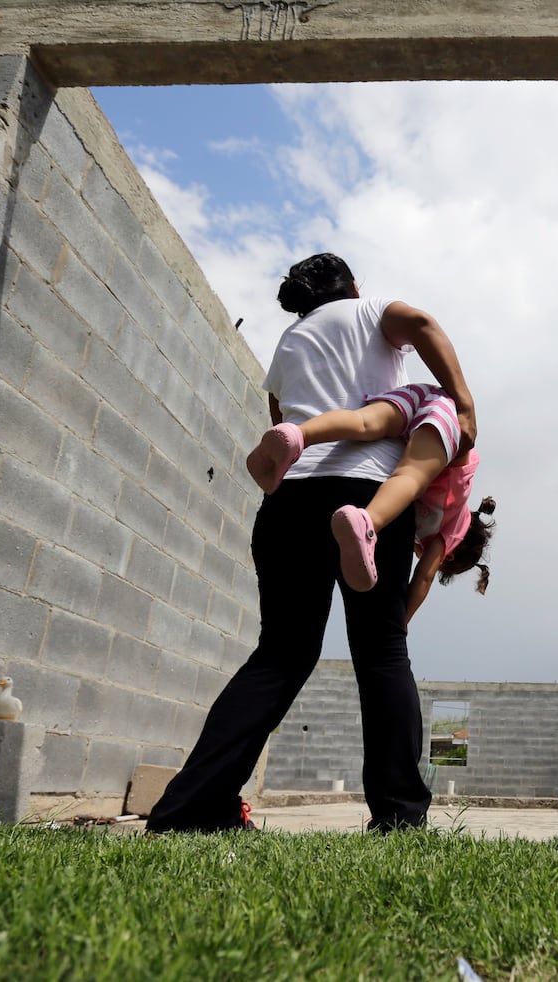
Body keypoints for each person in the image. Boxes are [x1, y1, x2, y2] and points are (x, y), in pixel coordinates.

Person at [146, 253, 475, 834]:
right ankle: (398, 816)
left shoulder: (289, 343)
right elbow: (422, 325)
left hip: (291, 497)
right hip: (368, 490)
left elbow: (279, 416)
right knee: (381, 653)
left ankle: (193, 808)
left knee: (279, 654)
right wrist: (464, 403)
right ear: (351, 285)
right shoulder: (372, 311)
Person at [246, 382, 497, 621]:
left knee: (363, 422)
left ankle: (298, 434)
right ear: (450, 557)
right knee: (409, 477)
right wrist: (403, 622)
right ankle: (367, 522)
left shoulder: (446, 511)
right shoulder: (454, 529)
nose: (419, 551)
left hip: (423, 396)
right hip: (444, 422)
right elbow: (424, 577)